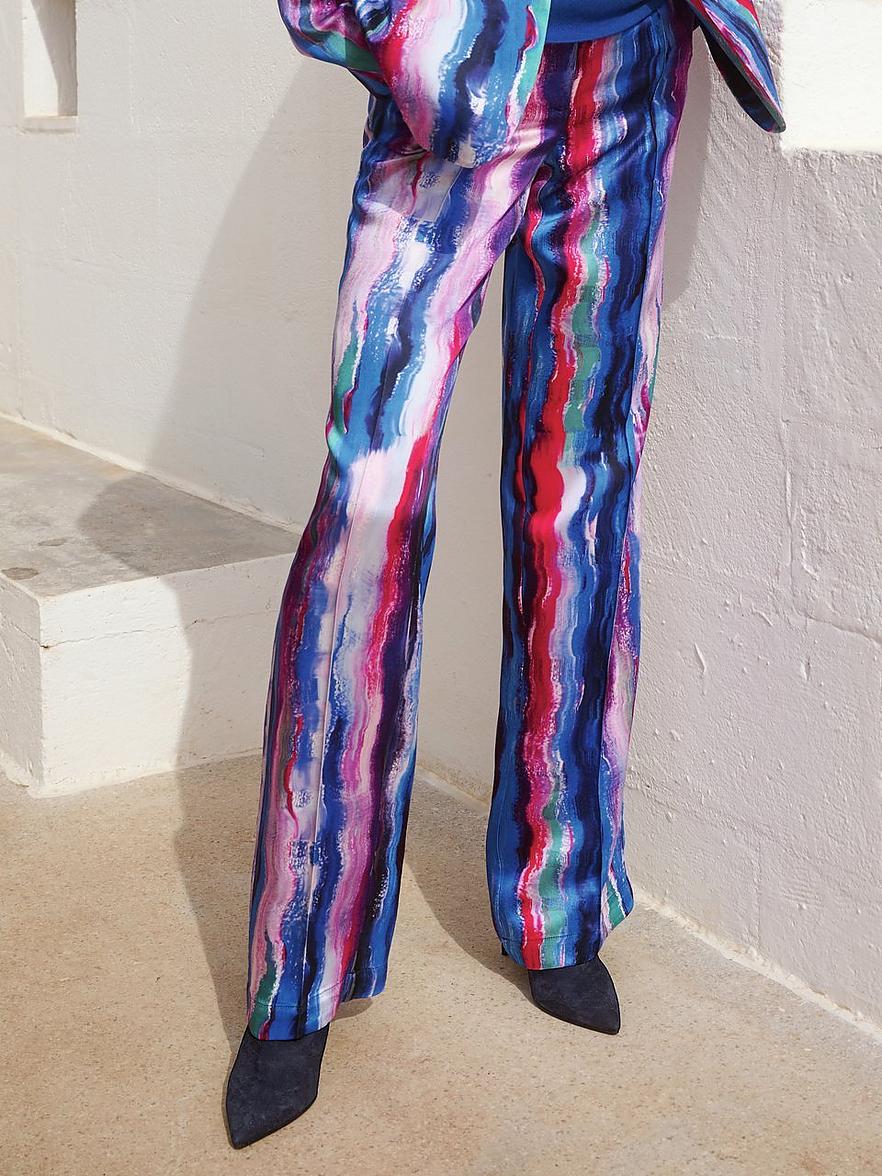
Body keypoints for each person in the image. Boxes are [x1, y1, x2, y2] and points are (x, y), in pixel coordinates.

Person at [224, 0, 784, 1149]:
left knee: (581, 504)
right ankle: (301, 963)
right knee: (368, 505)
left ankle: (560, 905)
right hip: (455, 67)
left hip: (627, 73)